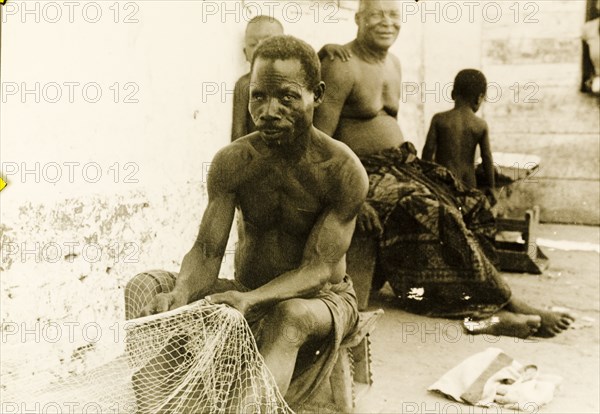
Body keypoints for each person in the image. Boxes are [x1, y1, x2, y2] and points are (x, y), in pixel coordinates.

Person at [126, 35, 368, 410]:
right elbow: (207, 251)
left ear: (317, 95)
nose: (269, 110)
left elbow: (318, 270)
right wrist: (182, 292)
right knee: (145, 287)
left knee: (290, 316)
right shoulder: (234, 161)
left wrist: (252, 300)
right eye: (259, 96)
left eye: (286, 97)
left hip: (320, 300)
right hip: (245, 289)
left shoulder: (342, 169)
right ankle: (158, 410)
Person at [314, 0, 574, 338]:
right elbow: (318, 141)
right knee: (432, 212)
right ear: (358, 18)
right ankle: (497, 307)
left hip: (399, 166)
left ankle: (490, 303)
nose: (386, 22)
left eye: (394, 15)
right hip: (362, 172)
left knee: (469, 203)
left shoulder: (393, 63)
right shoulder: (341, 65)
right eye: (376, 14)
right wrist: (352, 198)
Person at [231, 15, 352, 141]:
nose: (260, 48)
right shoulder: (244, 84)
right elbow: (237, 133)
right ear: (245, 53)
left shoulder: (294, 80)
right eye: (253, 44)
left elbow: (307, 70)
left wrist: (322, 53)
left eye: (269, 40)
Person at [422, 69, 497, 205]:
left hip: (443, 184)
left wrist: (424, 180)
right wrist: (491, 187)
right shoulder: (480, 125)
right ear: (479, 97)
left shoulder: (439, 120)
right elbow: (487, 158)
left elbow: (428, 151)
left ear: (452, 94)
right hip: (468, 185)